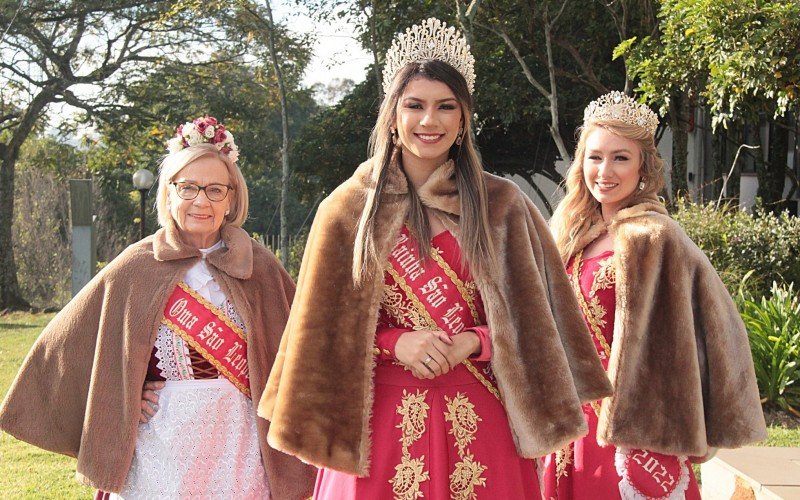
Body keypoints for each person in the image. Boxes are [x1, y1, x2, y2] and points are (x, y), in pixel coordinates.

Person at [258, 18, 612, 499]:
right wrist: (392, 342)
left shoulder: (502, 206)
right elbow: (320, 334)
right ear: (392, 115)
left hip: (483, 417)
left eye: (446, 107)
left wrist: (474, 340)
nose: (430, 121)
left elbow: (537, 327)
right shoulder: (347, 209)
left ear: (464, 118)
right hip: (379, 423)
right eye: (416, 106)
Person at [0, 116, 316, 498]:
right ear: (169, 193)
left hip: (241, 442)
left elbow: (306, 350)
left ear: (232, 198)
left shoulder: (260, 268)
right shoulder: (135, 266)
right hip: (161, 440)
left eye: (216, 190)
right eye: (189, 188)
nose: (202, 200)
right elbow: (67, 344)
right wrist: (121, 396)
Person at [543, 91, 768, 499]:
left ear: (643, 167)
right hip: (573, 428)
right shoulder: (570, 234)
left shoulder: (655, 237)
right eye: (595, 157)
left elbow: (715, 327)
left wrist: (703, 418)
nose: (605, 170)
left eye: (620, 157)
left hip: (638, 434)